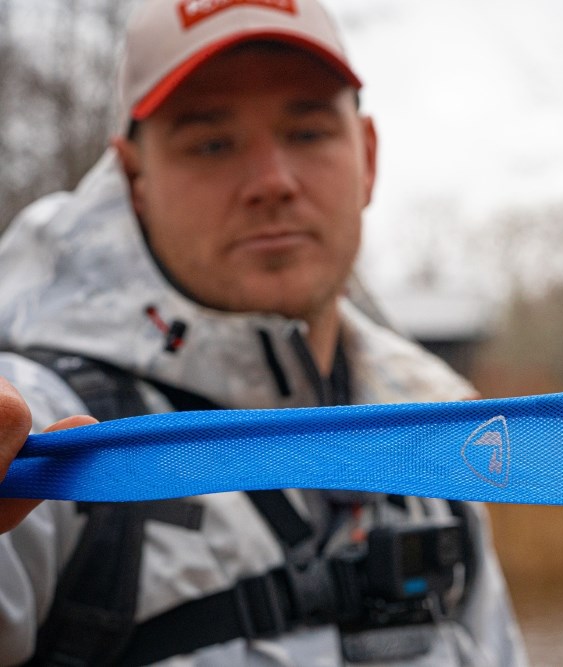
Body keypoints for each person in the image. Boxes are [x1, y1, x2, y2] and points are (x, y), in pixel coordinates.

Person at [0, 0, 527, 664]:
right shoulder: (44, 437)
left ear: (367, 156)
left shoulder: (440, 439)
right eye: (212, 144)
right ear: (134, 180)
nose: (272, 182)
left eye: (307, 132)